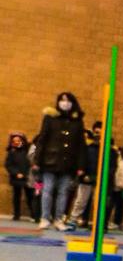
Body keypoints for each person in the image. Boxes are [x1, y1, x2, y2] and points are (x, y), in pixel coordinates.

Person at [32, 92, 85, 230]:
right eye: (62, 100)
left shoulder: (77, 121)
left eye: (68, 100)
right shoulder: (50, 118)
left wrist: (80, 165)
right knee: (48, 190)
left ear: (73, 103)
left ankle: (58, 219)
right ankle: (44, 218)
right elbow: (42, 139)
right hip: (49, 161)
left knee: (63, 192)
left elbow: (80, 145)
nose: (65, 103)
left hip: (68, 163)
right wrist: (37, 160)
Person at [5, 133, 37, 222]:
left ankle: (34, 215)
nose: (16, 142)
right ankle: (16, 215)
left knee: (30, 196)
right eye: (14, 141)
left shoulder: (27, 150)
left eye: (18, 141)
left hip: (27, 177)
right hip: (16, 178)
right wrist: (16, 173)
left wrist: (27, 173)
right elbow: (8, 165)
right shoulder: (11, 152)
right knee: (16, 197)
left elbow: (30, 162)